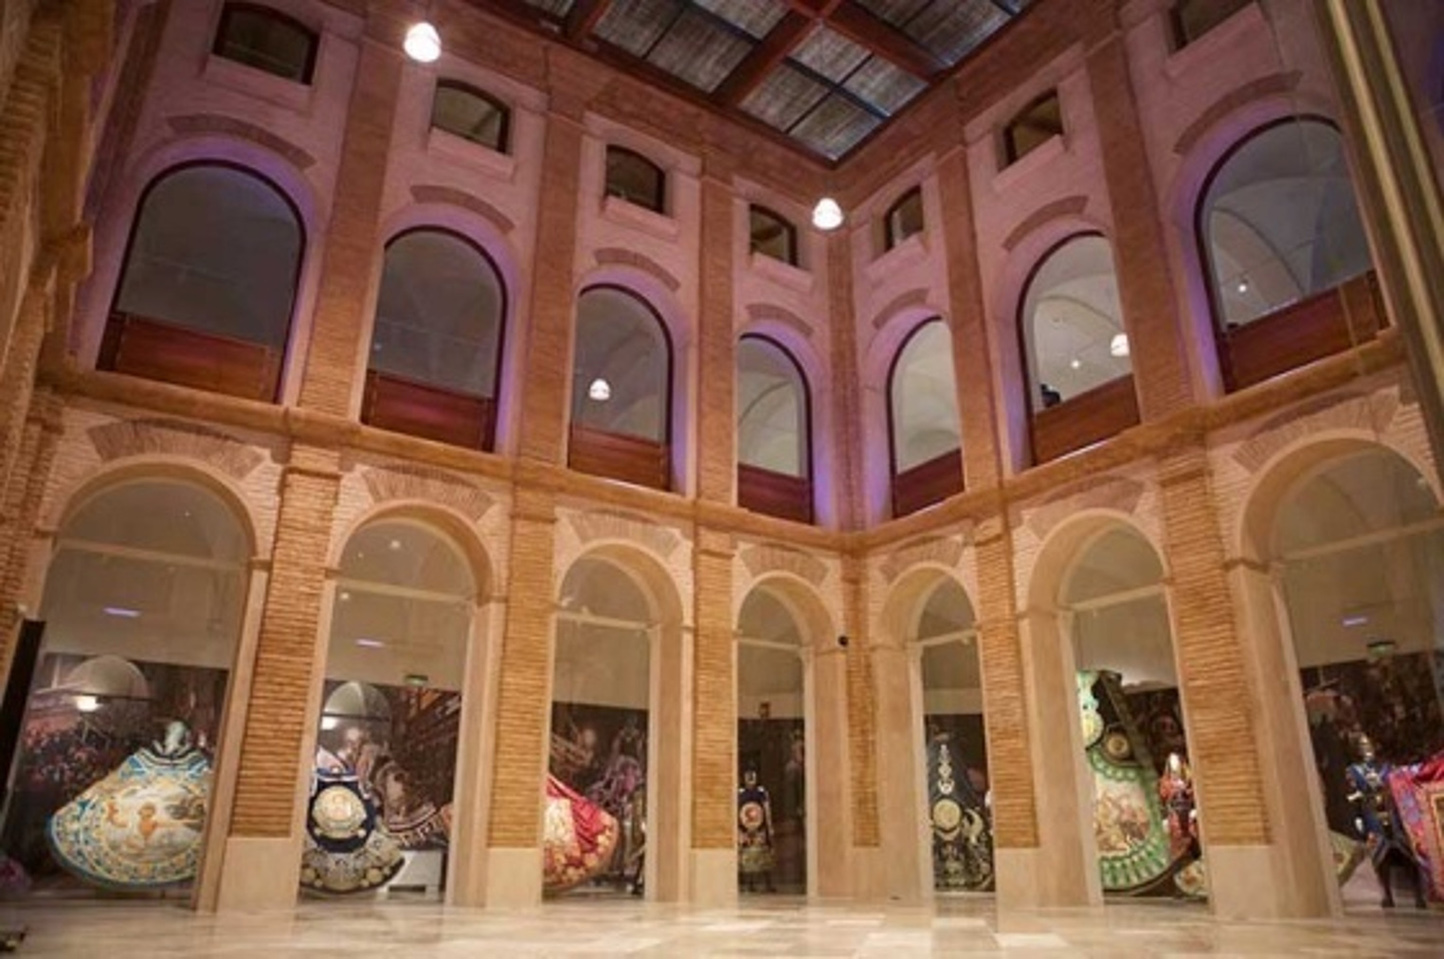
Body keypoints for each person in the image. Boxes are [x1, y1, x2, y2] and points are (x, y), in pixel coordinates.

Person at [1345, 734, 1427, 908]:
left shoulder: (1388, 768)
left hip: (1393, 813)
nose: (1366, 748)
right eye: (1361, 745)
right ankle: (1387, 894)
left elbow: (1402, 785)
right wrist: (1357, 817)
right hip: (1371, 814)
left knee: (1408, 855)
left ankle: (1418, 895)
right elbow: (1353, 796)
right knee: (1381, 857)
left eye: (1368, 744)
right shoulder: (1354, 771)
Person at [737, 769, 776, 893]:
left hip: (760, 829)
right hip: (745, 830)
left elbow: (766, 809)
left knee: (764, 856)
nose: (750, 781)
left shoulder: (761, 792)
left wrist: (769, 827)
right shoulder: (740, 794)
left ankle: (767, 883)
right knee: (748, 857)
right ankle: (750, 884)